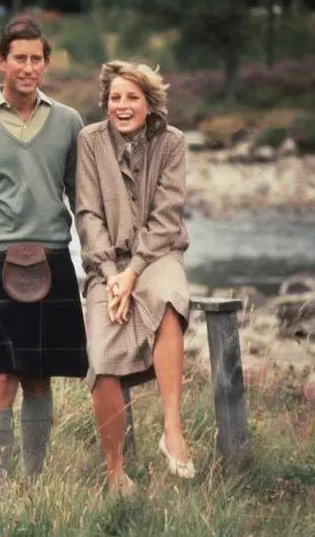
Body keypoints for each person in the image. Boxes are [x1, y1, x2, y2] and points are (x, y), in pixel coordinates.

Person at [0, 15, 88, 487]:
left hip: (52, 258)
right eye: (19, 58)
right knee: (0, 378)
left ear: (46, 63)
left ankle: (33, 482)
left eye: (36, 59)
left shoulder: (69, 123)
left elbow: (78, 192)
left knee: (39, 376)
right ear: (1, 61)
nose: (28, 67)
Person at [75, 60, 195, 493]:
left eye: (132, 97)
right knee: (102, 355)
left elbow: (166, 218)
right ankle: (115, 473)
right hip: (105, 264)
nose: (122, 106)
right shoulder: (89, 141)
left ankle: (172, 429)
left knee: (168, 298)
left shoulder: (173, 143)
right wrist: (111, 274)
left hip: (157, 255)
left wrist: (134, 272)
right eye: (115, 98)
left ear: (150, 103)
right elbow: (87, 214)